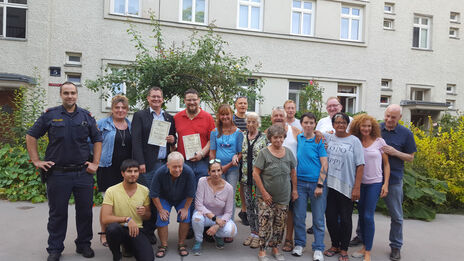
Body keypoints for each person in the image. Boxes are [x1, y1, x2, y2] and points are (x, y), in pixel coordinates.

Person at [26, 82, 103, 261]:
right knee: (57, 213)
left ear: (77, 95)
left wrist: (95, 163)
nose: (70, 96)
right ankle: (55, 248)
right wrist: (36, 160)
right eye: (66, 93)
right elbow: (31, 135)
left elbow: (98, 139)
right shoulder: (50, 115)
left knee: (85, 212)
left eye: (73, 93)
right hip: (57, 173)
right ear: (61, 95)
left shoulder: (86, 116)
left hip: (83, 173)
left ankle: (84, 244)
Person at [350, 105, 416, 261]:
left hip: (391, 180)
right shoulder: (374, 127)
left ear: (399, 117)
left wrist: (395, 152)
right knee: (365, 214)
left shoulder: (406, 134)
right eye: (387, 116)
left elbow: (411, 157)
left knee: (396, 216)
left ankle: (395, 246)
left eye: (393, 117)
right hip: (364, 179)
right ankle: (362, 239)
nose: (389, 119)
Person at [132, 86, 177, 243]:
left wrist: (173, 139)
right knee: (149, 198)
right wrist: (140, 162)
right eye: (153, 97)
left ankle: (154, 230)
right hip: (148, 165)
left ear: (163, 99)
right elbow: (136, 140)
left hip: (164, 164)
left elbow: (173, 139)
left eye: (159, 97)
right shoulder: (140, 116)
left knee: (160, 197)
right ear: (148, 98)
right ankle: (147, 231)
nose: (156, 99)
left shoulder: (169, 118)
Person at [323, 112, 364, 261]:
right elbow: (313, 132)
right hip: (330, 185)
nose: (340, 125)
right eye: (337, 122)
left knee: (346, 219)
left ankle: (344, 249)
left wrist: (357, 187)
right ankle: (335, 245)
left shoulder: (354, 141)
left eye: (343, 122)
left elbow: (360, 165)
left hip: (347, 186)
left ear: (347, 124)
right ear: (333, 125)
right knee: (331, 217)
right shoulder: (328, 137)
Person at [253, 124, 298, 261]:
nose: (278, 140)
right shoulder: (264, 153)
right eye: (275, 138)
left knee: (280, 224)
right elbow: (255, 173)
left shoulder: (289, 153)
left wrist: (295, 190)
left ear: (284, 137)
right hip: (265, 197)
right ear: (270, 138)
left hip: (283, 196)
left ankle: (276, 248)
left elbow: (293, 172)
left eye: (280, 137)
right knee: (265, 223)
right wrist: (264, 193)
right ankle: (262, 251)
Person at [349, 114, 390, 261]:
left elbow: (386, 164)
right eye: (363, 126)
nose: (366, 128)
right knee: (361, 216)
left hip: (375, 183)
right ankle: (364, 246)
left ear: (372, 127)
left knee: (368, 216)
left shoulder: (379, 142)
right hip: (359, 184)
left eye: (369, 126)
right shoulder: (355, 141)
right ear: (358, 127)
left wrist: (385, 184)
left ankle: (368, 251)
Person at [96, 95, 132, 247]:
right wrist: (92, 161)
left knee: (123, 203)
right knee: (107, 204)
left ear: (127, 110)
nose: (120, 110)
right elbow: (90, 143)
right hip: (107, 168)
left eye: (123, 108)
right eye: (117, 107)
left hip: (126, 171)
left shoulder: (130, 125)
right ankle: (104, 234)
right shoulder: (102, 124)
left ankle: (119, 233)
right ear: (112, 109)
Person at [101, 159, 154, 261]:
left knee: (148, 259)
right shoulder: (111, 191)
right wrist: (127, 219)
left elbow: (148, 216)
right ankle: (116, 254)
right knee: (112, 229)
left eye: (135, 171)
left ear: (139, 173)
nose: (133, 174)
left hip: (137, 229)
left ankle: (129, 247)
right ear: (122, 173)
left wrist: (144, 213)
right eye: (129, 171)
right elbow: (105, 218)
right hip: (119, 228)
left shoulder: (144, 190)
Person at [292, 113, 328, 261]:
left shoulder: (319, 140)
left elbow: (325, 163)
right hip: (299, 183)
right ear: (301, 124)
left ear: (315, 124)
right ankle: (299, 244)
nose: (308, 125)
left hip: (316, 184)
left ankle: (318, 248)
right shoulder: (299, 138)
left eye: (311, 123)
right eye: (305, 122)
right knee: (299, 216)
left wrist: (320, 184)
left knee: (318, 219)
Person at [149, 151, 195, 258]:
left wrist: (185, 208)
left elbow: (191, 194)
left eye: (180, 166)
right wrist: (160, 210)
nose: (178, 170)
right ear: (167, 165)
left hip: (182, 198)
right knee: (162, 218)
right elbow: (154, 194)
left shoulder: (189, 172)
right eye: (174, 167)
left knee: (185, 216)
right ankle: (163, 245)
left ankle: (181, 244)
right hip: (164, 198)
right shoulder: (159, 172)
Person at [269, 106, 300, 253]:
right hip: (273, 178)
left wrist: (319, 134)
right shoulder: (267, 133)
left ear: (285, 116)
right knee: (274, 209)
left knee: (289, 211)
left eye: (281, 115)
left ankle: (288, 239)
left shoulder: (294, 131)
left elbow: (310, 137)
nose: (279, 118)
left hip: (291, 176)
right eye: (276, 115)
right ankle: (274, 239)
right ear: (271, 118)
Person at [191, 159, 238, 255]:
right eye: (213, 171)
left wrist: (217, 225)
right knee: (196, 218)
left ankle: (218, 235)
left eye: (218, 170)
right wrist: (214, 218)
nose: (216, 174)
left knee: (232, 231)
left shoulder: (229, 188)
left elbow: (228, 212)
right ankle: (198, 241)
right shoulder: (202, 182)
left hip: (220, 217)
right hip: (205, 215)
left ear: (222, 171)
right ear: (208, 172)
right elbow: (198, 204)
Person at [209, 104, 244, 230]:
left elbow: (240, 153)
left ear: (231, 115)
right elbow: (212, 151)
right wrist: (214, 167)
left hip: (232, 170)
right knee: (217, 195)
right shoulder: (214, 132)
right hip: (218, 170)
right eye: (222, 114)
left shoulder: (238, 132)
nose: (225, 117)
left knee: (230, 195)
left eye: (227, 114)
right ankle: (217, 222)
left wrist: (230, 164)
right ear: (219, 116)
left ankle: (228, 225)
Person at [174, 88, 215, 184]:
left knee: (201, 192)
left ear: (199, 100)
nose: (192, 102)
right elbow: (172, 137)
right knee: (185, 192)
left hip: (202, 162)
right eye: (189, 100)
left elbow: (211, 140)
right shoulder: (177, 117)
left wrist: (202, 153)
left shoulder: (208, 117)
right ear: (184, 101)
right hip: (183, 162)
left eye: (194, 100)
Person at [240, 112, 267, 249]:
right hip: (246, 178)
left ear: (258, 123)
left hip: (260, 179)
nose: (250, 124)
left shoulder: (264, 138)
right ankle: (253, 233)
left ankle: (261, 235)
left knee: (259, 207)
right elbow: (240, 154)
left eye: (253, 122)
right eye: (248, 122)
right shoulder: (243, 136)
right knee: (249, 207)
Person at [233, 96, 250, 226]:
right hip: (233, 156)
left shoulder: (250, 120)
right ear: (236, 105)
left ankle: (244, 211)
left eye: (244, 103)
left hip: (247, 157)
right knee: (232, 185)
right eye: (240, 103)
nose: (243, 105)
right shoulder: (232, 119)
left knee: (244, 185)